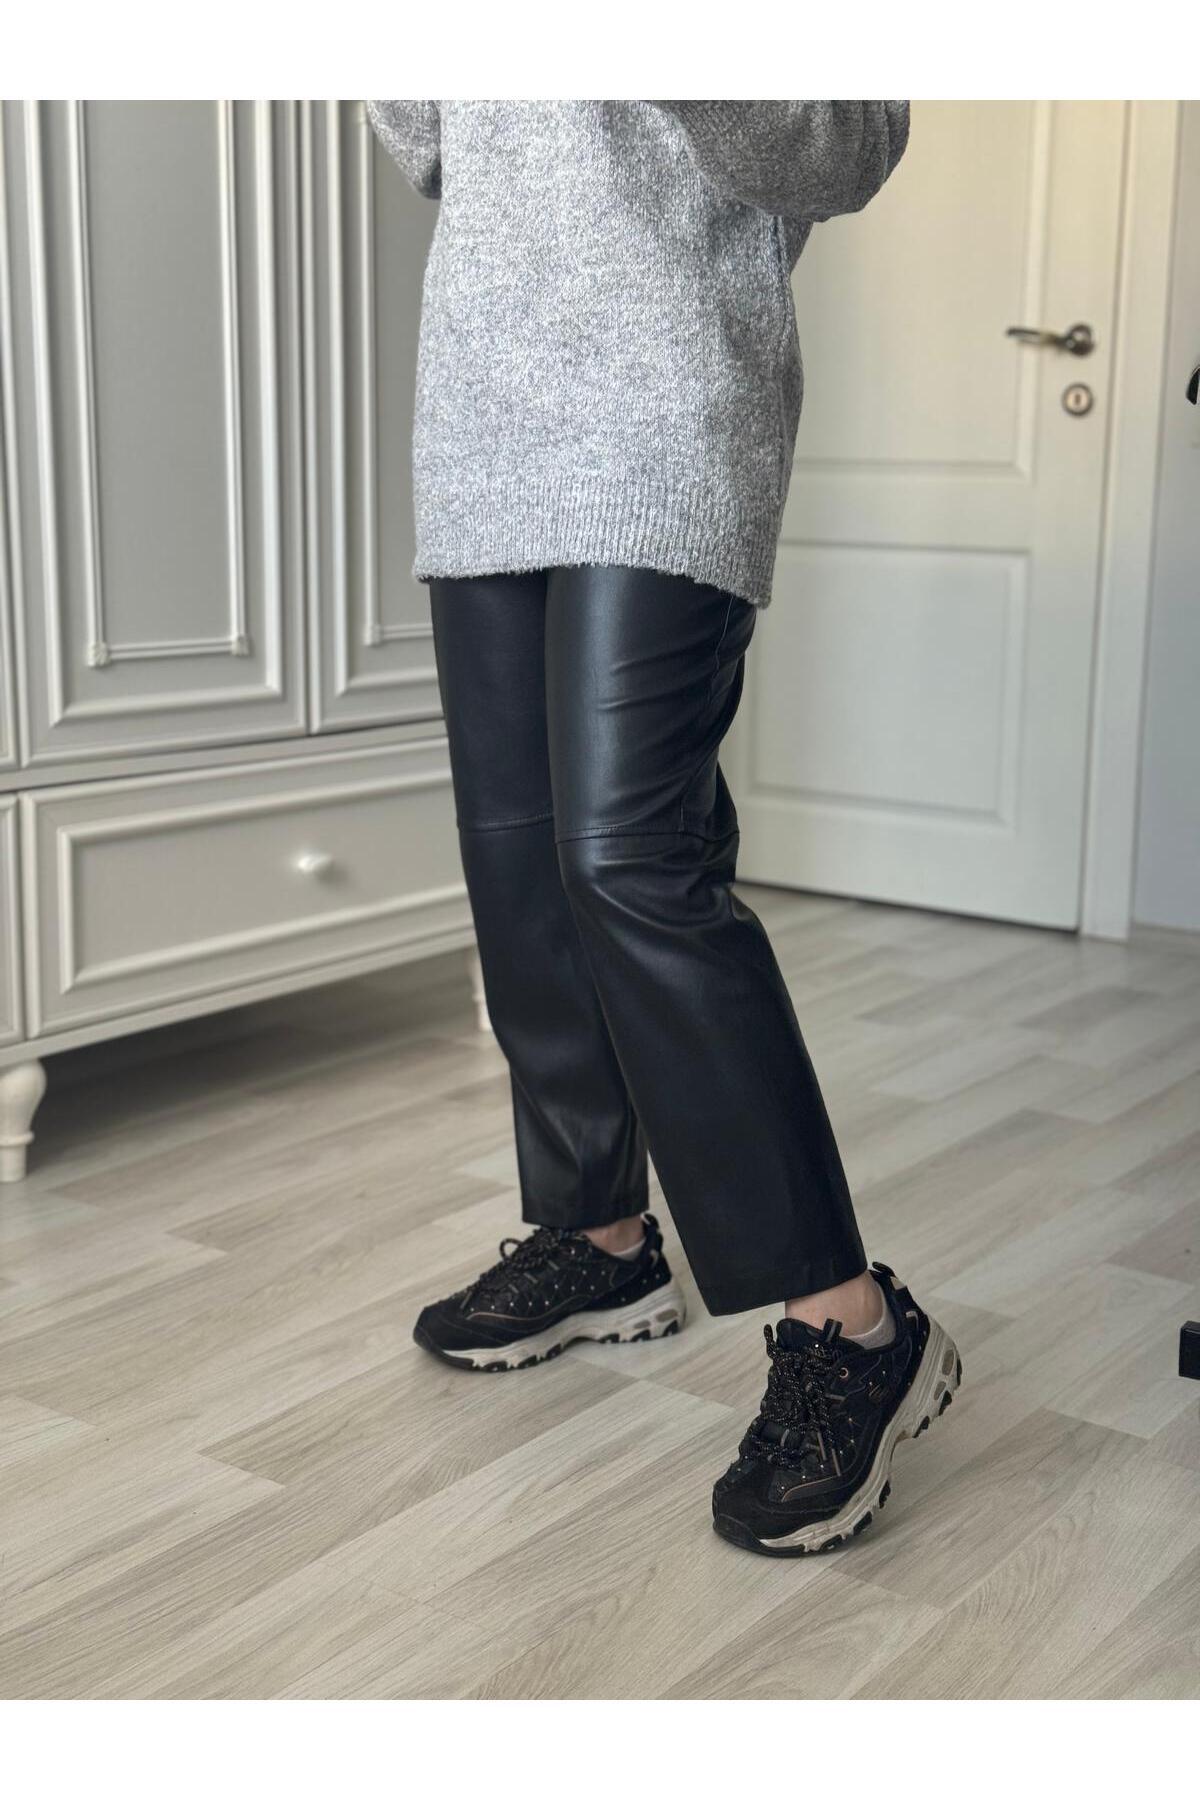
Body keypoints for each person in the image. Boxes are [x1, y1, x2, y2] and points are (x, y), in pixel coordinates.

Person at [365, 99, 960, 1557]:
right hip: (483, 413)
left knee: (632, 861)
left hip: (666, 405)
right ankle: (601, 1238)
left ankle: (853, 1323)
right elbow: (424, 138)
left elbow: (845, 148)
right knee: (518, 856)